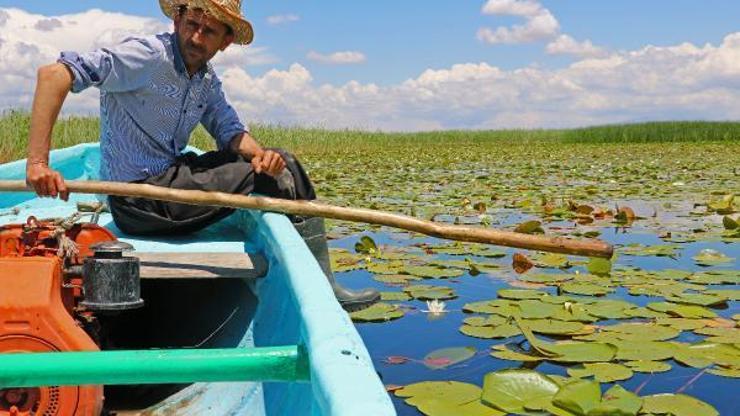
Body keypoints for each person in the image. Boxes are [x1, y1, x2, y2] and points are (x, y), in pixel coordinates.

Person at [24, 0, 379, 311]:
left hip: (170, 178)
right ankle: (320, 291)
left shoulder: (204, 79)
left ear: (225, 42)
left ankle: (320, 284)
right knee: (273, 179)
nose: (196, 37)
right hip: (139, 199)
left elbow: (230, 131)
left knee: (283, 165)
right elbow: (54, 74)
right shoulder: (146, 56)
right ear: (177, 19)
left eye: (209, 31)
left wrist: (262, 156)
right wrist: (38, 163)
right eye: (192, 24)